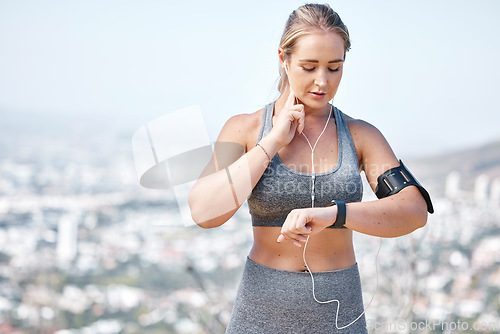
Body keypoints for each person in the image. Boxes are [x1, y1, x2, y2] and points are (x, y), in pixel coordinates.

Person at [188, 3, 431, 333]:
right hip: (260, 312)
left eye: (334, 67)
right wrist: (271, 142)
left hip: (339, 314)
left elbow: (414, 210)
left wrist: (333, 215)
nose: (322, 81)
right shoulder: (244, 129)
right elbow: (204, 212)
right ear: (283, 59)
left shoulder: (361, 136)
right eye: (309, 66)